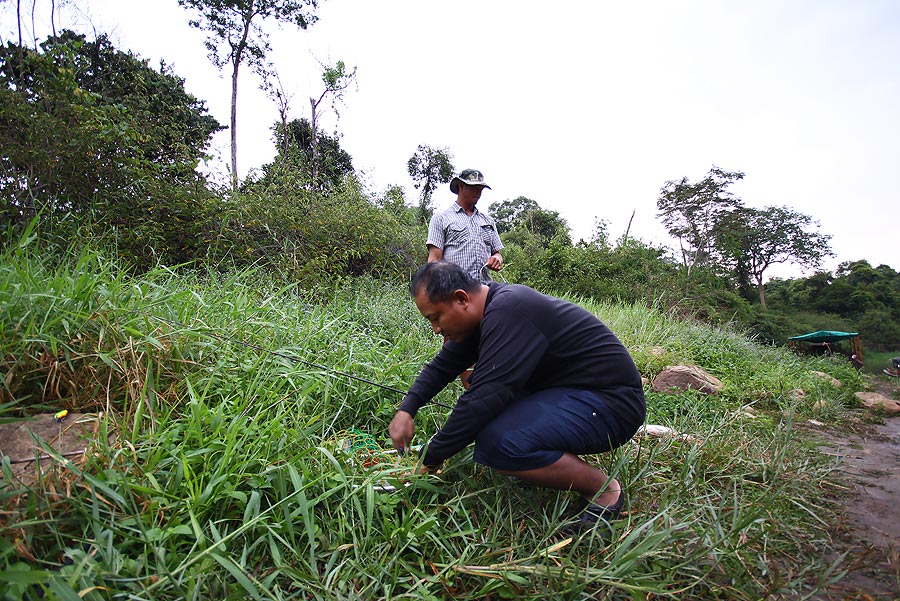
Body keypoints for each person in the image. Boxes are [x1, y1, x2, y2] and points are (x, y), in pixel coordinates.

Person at [389, 261, 646, 531]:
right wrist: (407, 408)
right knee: (484, 401)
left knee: (497, 443)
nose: (436, 329)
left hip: (612, 405)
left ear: (461, 299)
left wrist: (429, 458)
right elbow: (443, 367)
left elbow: (482, 402)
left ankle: (604, 491)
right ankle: (536, 461)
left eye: (436, 317)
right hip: (571, 393)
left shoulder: (511, 310)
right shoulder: (485, 313)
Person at [427, 168, 503, 284]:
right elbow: (434, 260)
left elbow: (496, 253)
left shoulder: (488, 221)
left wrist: (497, 259)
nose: (478, 192)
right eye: (474, 188)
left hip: (484, 290)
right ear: (461, 186)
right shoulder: (441, 218)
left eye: (481, 189)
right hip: (454, 289)